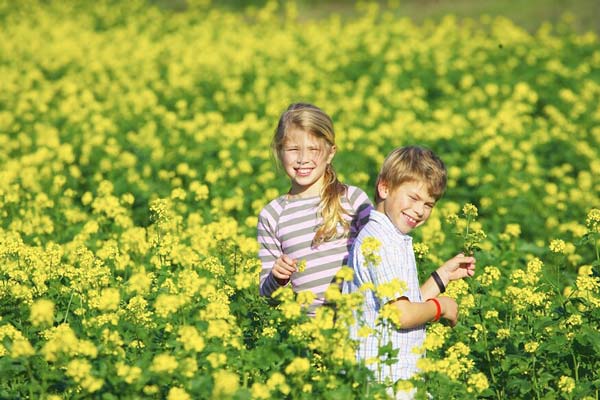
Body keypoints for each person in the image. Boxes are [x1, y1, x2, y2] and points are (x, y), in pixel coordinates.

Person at [342, 146, 476, 391]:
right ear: (385, 188)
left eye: (429, 204)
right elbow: (401, 315)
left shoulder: (388, 236)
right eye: (413, 198)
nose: (419, 211)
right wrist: (441, 307)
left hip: (390, 376)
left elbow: (404, 303)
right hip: (385, 379)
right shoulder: (381, 243)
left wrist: (441, 277)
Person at [257, 103, 373, 316]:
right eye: (293, 149)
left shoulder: (353, 200)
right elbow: (265, 296)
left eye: (313, 149)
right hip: (307, 332)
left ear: (330, 153)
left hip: (359, 323)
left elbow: (379, 256)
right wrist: (277, 278)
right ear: (279, 152)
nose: (302, 159)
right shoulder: (272, 215)